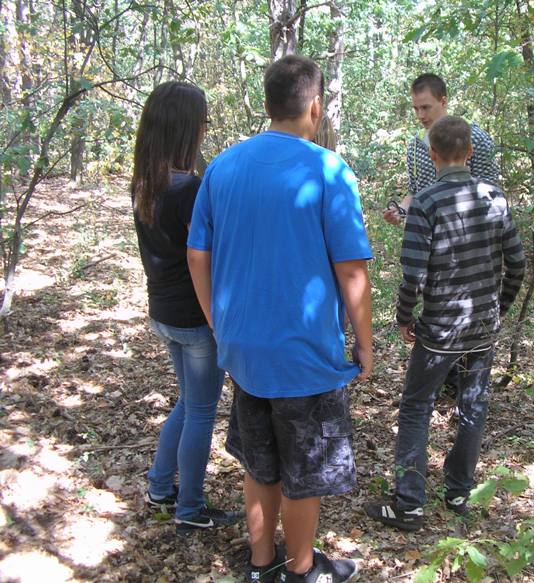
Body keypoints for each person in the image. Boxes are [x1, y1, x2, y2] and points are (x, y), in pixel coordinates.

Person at [187, 55, 372, 583]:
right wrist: (365, 344)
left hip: (244, 350)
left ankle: (260, 564)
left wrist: (218, 322)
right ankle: (302, 570)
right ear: (315, 106)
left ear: (268, 105)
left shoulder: (224, 166)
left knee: (259, 462)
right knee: (303, 473)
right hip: (303, 354)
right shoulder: (328, 169)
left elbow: (196, 254)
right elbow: (351, 270)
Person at [366, 116, 526, 531]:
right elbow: (517, 264)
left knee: (416, 407)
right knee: (472, 405)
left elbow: (413, 276)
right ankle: (458, 492)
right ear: (470, 152)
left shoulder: (426, 202)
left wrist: (404, 317)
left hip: (439, 331)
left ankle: (409, 504)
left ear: (433, 155)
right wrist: (498, 309)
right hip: (481, 329)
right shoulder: (494, 196)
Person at [131, 82, 239, 533]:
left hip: (164, 312)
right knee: (200, 410)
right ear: (185, 128)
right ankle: (190, 508)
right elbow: (204, 254)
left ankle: (160, 486)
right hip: (195, 319)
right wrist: (217, 317)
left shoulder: (145, 182)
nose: (204, 130)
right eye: (202, 123)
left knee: (190, 402)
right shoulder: (188, 188)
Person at [382, 73, 499, 226]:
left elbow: (491, 192)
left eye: (425, 107)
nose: (420, 115)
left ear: (443, 102)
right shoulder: (415, 147)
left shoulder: (473, 137)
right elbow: (415, 192)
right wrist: (401, 211)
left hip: (470, 232)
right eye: (416, 109)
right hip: (428, 235)